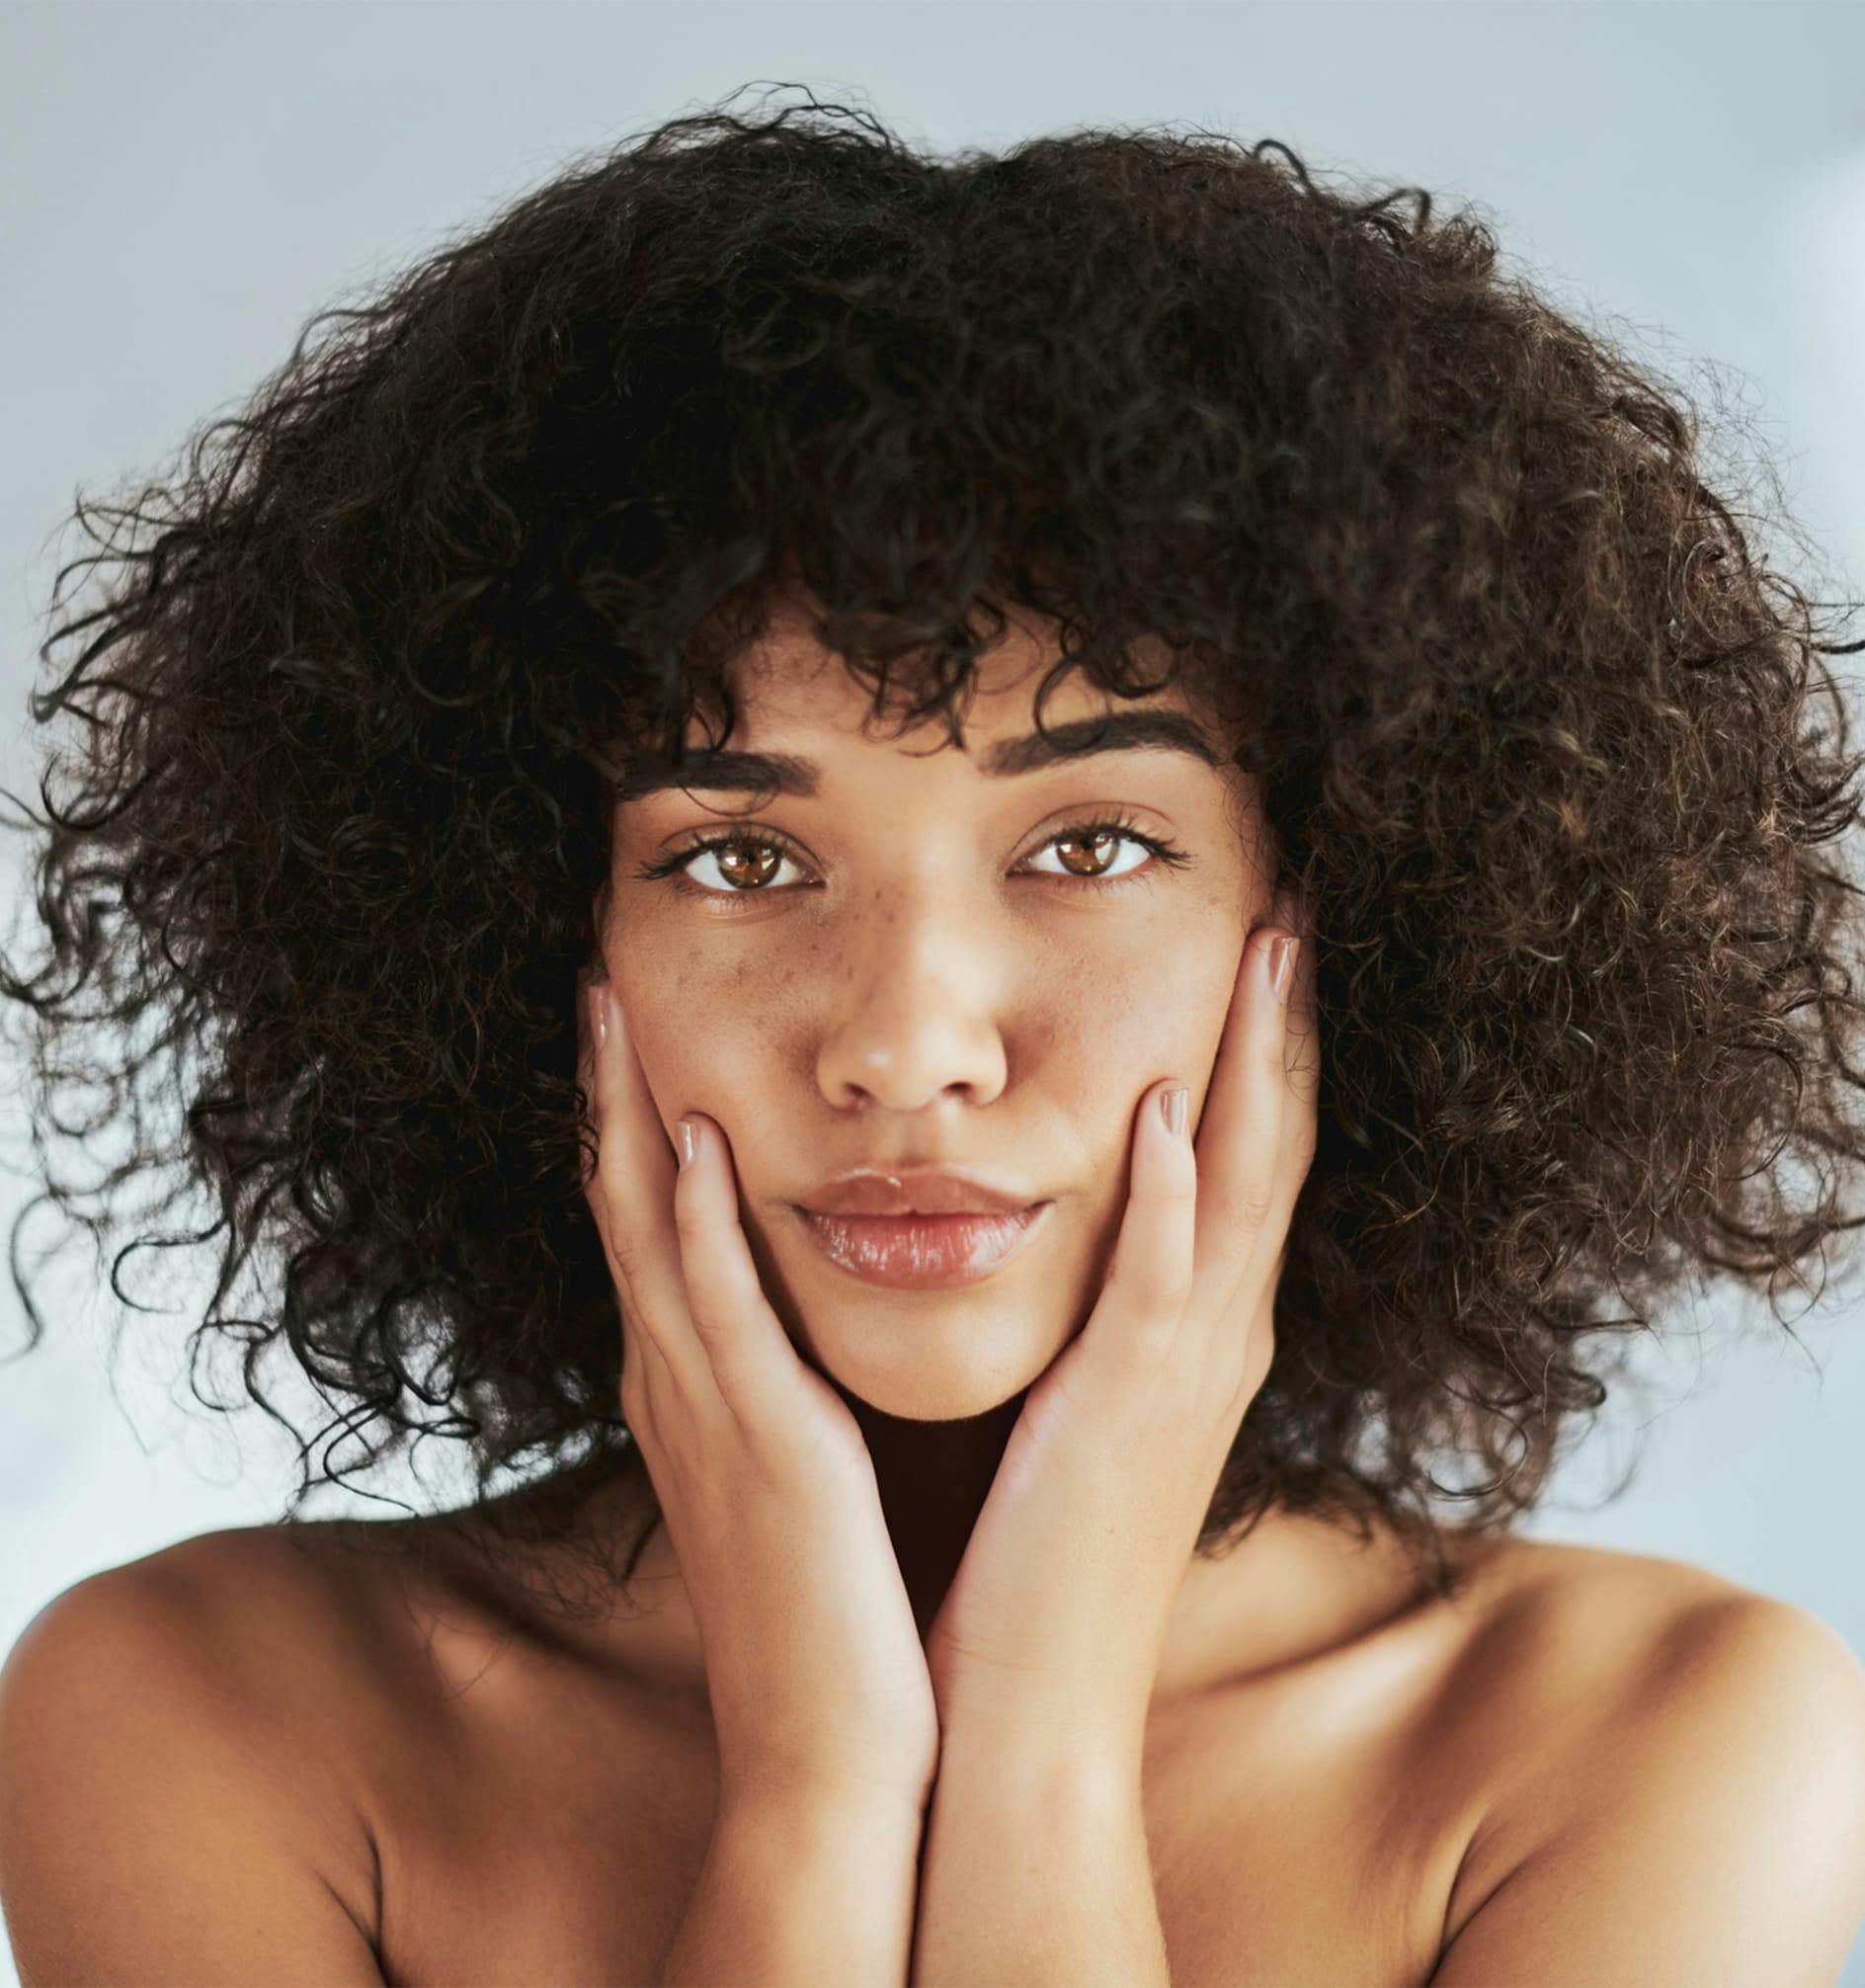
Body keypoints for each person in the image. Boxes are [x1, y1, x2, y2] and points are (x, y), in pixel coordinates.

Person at [3, 84, 1865, 1985]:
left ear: (1353, 914)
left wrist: (1041, 1740)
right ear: (523, 932)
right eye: (738, 854)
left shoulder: (1658, 1747)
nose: (906, 1044)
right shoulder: (206, 1715)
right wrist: (816, 1783)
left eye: (1092, 842)